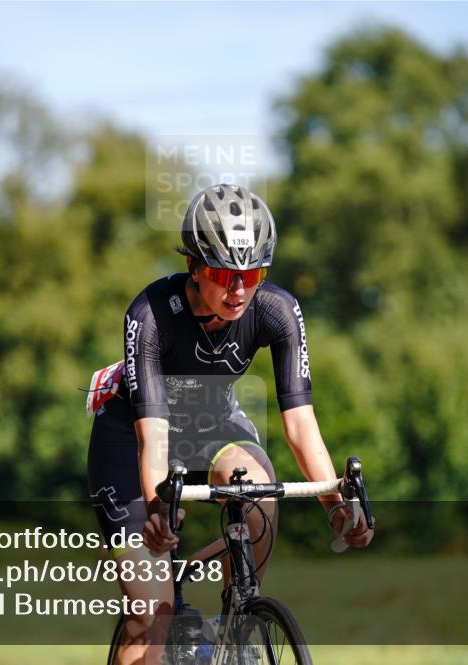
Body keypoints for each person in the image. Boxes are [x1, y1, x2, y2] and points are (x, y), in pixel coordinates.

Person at [86, 183, 373, 665]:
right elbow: (152, 438)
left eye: (253, 272)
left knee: (259, 489)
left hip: (212, 421)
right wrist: (159, 509)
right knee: (150, 616)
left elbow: (301, 425)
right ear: (194, 267)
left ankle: (234, 621)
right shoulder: (150, 314)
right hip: (130, 436)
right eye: (223, 273)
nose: (239, 289)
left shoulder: (276, 310)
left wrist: (334, 502)